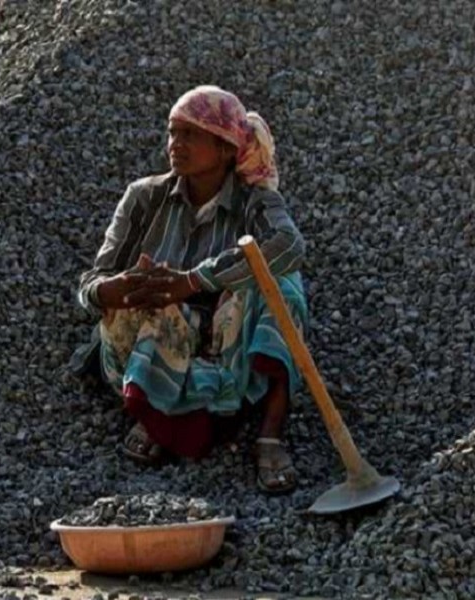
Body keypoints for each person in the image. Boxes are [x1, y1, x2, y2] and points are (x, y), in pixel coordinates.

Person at [74, 85, 308, 494]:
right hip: (161, 332)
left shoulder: (255, 203)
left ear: (223, 149)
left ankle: (270, 435)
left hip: (227, 341)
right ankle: (154, 411)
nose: (174, 145)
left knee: (284, 285)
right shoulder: (144, 198)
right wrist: (117, 291)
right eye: (172, 133)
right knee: (143, 301)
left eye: (189, 135)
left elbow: (289, 246)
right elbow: (92, 282)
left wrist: (195, 281)